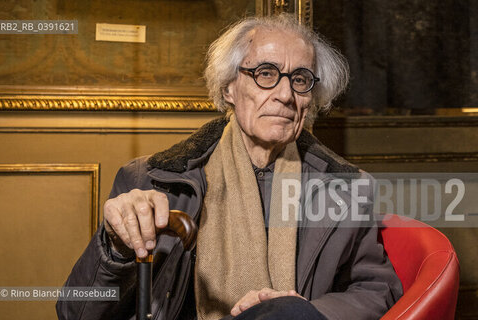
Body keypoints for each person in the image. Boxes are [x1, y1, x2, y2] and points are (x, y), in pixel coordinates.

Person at [57, 14, 402, 320]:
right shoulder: (152, 180)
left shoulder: (347, 187)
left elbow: (377, 292)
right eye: (266, 73)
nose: (285, 94)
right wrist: (115, 249)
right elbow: (76, 312)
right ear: (229, 89)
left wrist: (304, 313)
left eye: (300, 79)